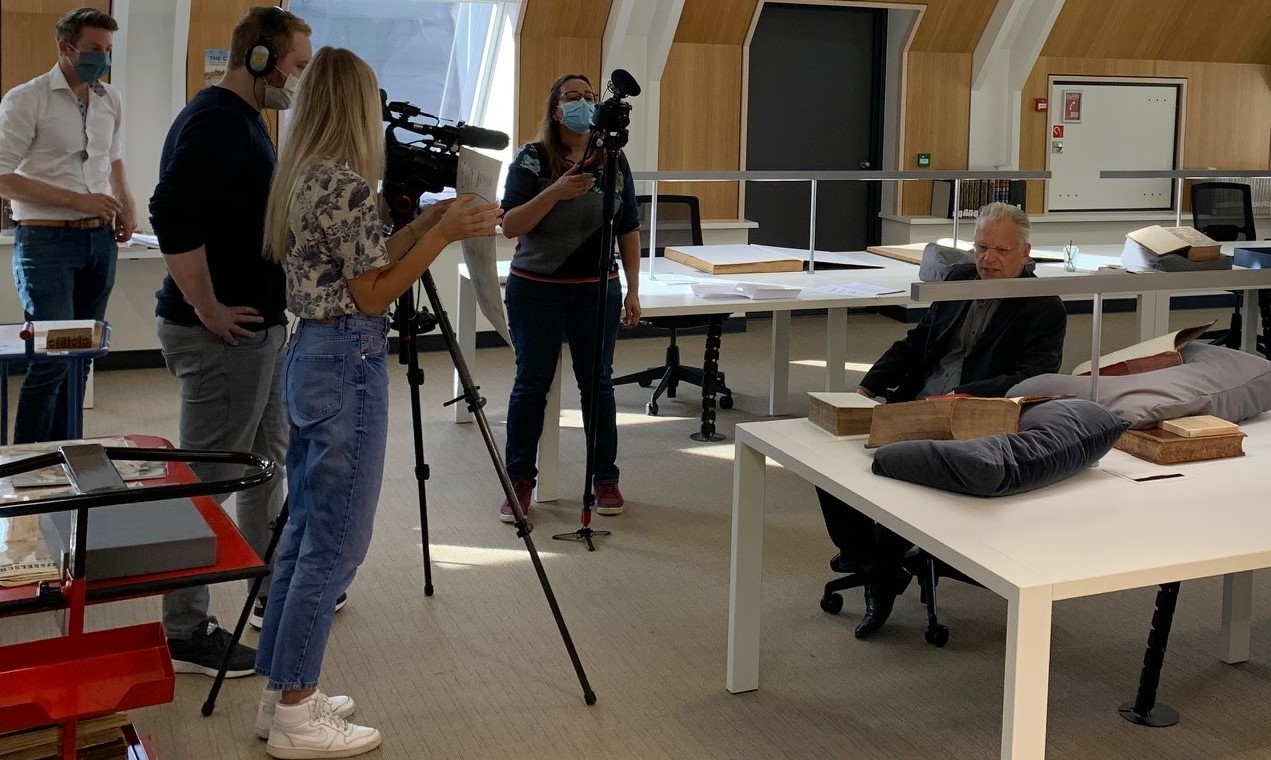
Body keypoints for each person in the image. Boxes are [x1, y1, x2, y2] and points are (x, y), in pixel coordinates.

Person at [254, 46, 501, 757]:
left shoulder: (306, 176)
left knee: (305, 534)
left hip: (311, 354)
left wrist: (426, 225)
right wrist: (450, 235)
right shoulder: (349, 185)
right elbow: (370, 292)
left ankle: (282, 693)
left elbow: (366, 259)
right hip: (346, 358)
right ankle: (299, 715)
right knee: (336, 543)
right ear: (354, 105)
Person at [148, 6, 312, 678]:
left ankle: (271, 583)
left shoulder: (244, 119)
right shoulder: (218, 120)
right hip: (223, 337)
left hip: (258, 331)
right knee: (205, 480)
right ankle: (186, 629)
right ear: (258, 59)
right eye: (295, 65)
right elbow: (170, 211)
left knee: (264, 461)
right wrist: (206, 304)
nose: (297, 80)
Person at [820, 202, 1067, 638]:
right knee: (828, 464)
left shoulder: (1043, 306)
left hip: (973, 416)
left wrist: (965, 396)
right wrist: (868, 386)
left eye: (1002, 251)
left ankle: (878, 572)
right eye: (981, 247)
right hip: (918, 401)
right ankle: (879, 563)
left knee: (894, 466)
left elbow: (1030, 378)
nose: (988, 259)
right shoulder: (958, 280)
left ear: (1025, 253)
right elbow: (918, 343)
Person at [498, 73, 642, 522]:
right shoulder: (532, 159)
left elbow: (628, 228)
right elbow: (512, 224)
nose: (582, 102)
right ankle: (519, 480)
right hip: (537, 288)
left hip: (596, 289)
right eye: (572, 96)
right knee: (531, 385)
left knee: (597, 384)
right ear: (555, 108)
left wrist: (633, 289)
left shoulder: (613, 160)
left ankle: (605, 478)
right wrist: (556, 191)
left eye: (589, 96)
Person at [0, 7, 136, 443]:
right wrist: (77, 200)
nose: (102, 60)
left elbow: (113, 159)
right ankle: (28, 461)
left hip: (99, 239)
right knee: (53, 356)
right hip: (45, 241)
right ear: (65, 47)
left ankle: (66, 450)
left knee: (83, 355)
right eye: (94, 50)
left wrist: (127, 203)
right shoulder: (27, 99)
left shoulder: (109, 100)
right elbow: (3, 176)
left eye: (107, 51)